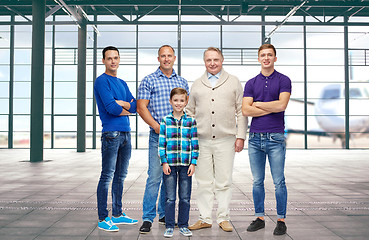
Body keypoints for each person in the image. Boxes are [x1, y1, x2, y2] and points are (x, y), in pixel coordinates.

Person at [186, 47, 247, 232]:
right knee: (203, 181)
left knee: (224, 181)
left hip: (226, 139)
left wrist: (241, 136)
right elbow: (189, 111)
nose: (212, 63)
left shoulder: (234, 82)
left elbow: (241, 111)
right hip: (201, 140)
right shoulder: (197, 84)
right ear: (204, 61)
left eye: (216, 59)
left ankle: (223, 218)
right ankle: (204, 218)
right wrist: (189, 137)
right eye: (208, 60)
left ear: (222, 60)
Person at [137, 45, 189, 233]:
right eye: (163, 56)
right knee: (155, 177)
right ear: (158, 58)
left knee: (170, 177)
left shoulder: (182, 81)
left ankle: (164, 214)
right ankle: (147, 218)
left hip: (178, 138)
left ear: (174, 58)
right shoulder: (149, 80)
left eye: (169, 56)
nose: (166, 59)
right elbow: (141, 107)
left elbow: (185, 107)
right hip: (158, 136)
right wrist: (158, 127)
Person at [242, 43, 291, 236]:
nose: (266, 58)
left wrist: (259, 104)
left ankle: (281, 220)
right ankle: (260, 217)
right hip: (255, 139)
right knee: (257, 181)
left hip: (276, 137)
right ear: (258, 58)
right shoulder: (251, 83)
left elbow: (282, 105)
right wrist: (271, 106)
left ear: (275, 58)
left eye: (270, 55)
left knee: (279, 181)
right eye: (263, 55)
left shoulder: (284, 80)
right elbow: (246, 110)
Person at [94, 46, 138, 232]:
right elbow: (111, 109)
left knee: (121, 176)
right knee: (107, 176)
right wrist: (123, 107)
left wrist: (123, 105)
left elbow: (136, 106)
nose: (113, 61)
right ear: (103, 60)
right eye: (109, 58)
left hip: (126, 133)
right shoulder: (101, 81)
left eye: (116, 58)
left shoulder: (122, 83)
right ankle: (103, 218)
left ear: (119, 60)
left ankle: (118, 214)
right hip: (111, 134)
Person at [159, 87, 199, 238]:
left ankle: (183, 225)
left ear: (186, 101)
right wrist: (164, 162)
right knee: (169, 198)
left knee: (185, 197)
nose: (178, 103)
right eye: (175, 100)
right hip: (170, 164)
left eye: (181, 100)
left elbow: (195, 143)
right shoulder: (165, 121)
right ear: (170, 101)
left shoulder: (191, 121)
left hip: (185, 165)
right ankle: (169, 226)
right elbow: (161, 143)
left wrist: (193, 163)